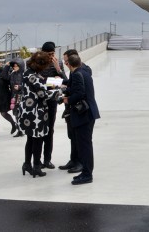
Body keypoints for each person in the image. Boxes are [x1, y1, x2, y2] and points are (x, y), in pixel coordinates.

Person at [18, 51, 63, 178]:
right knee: (38, 139)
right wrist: (59, 93)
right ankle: (37, 166)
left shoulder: (28, 73)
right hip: (36, 112)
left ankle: (27, 164)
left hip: (27, 111)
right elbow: (43, 94)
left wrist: (57, 83)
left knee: (30, 139)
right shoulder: (35, 77)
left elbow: (42, 84)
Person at [63, 53, 100, 185]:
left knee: (84, 146)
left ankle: (87, 174)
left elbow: (80, 93)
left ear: (69, 64)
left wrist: (67, 99)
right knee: (85, 145)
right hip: (89, 113)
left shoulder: (78, 74)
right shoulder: (84, 72)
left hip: (84, 115)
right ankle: (86, 171)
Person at [39, 41, 67, 169]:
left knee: (50, 130)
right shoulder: (37, 63)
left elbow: (64, 82)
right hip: (39, 102)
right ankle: (37, 160)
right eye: (48, 54)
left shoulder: (58, 63)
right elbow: (38, 84)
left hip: (51, 102)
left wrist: (58, 70)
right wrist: (52, 82)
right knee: (38, 132)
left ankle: (47, 159)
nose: (51, 56)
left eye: (52, 53)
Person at [9, 59, 25, 137]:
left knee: (22, 113)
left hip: (22, 96)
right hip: (14, 96)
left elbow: (28, 85)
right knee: (16, 113)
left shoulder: (25, 74)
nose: (15, 67)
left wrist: (20, 87)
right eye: (14, 66)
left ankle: (22, 130)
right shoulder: (12, 74)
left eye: (17, 66)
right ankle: (19, 130)